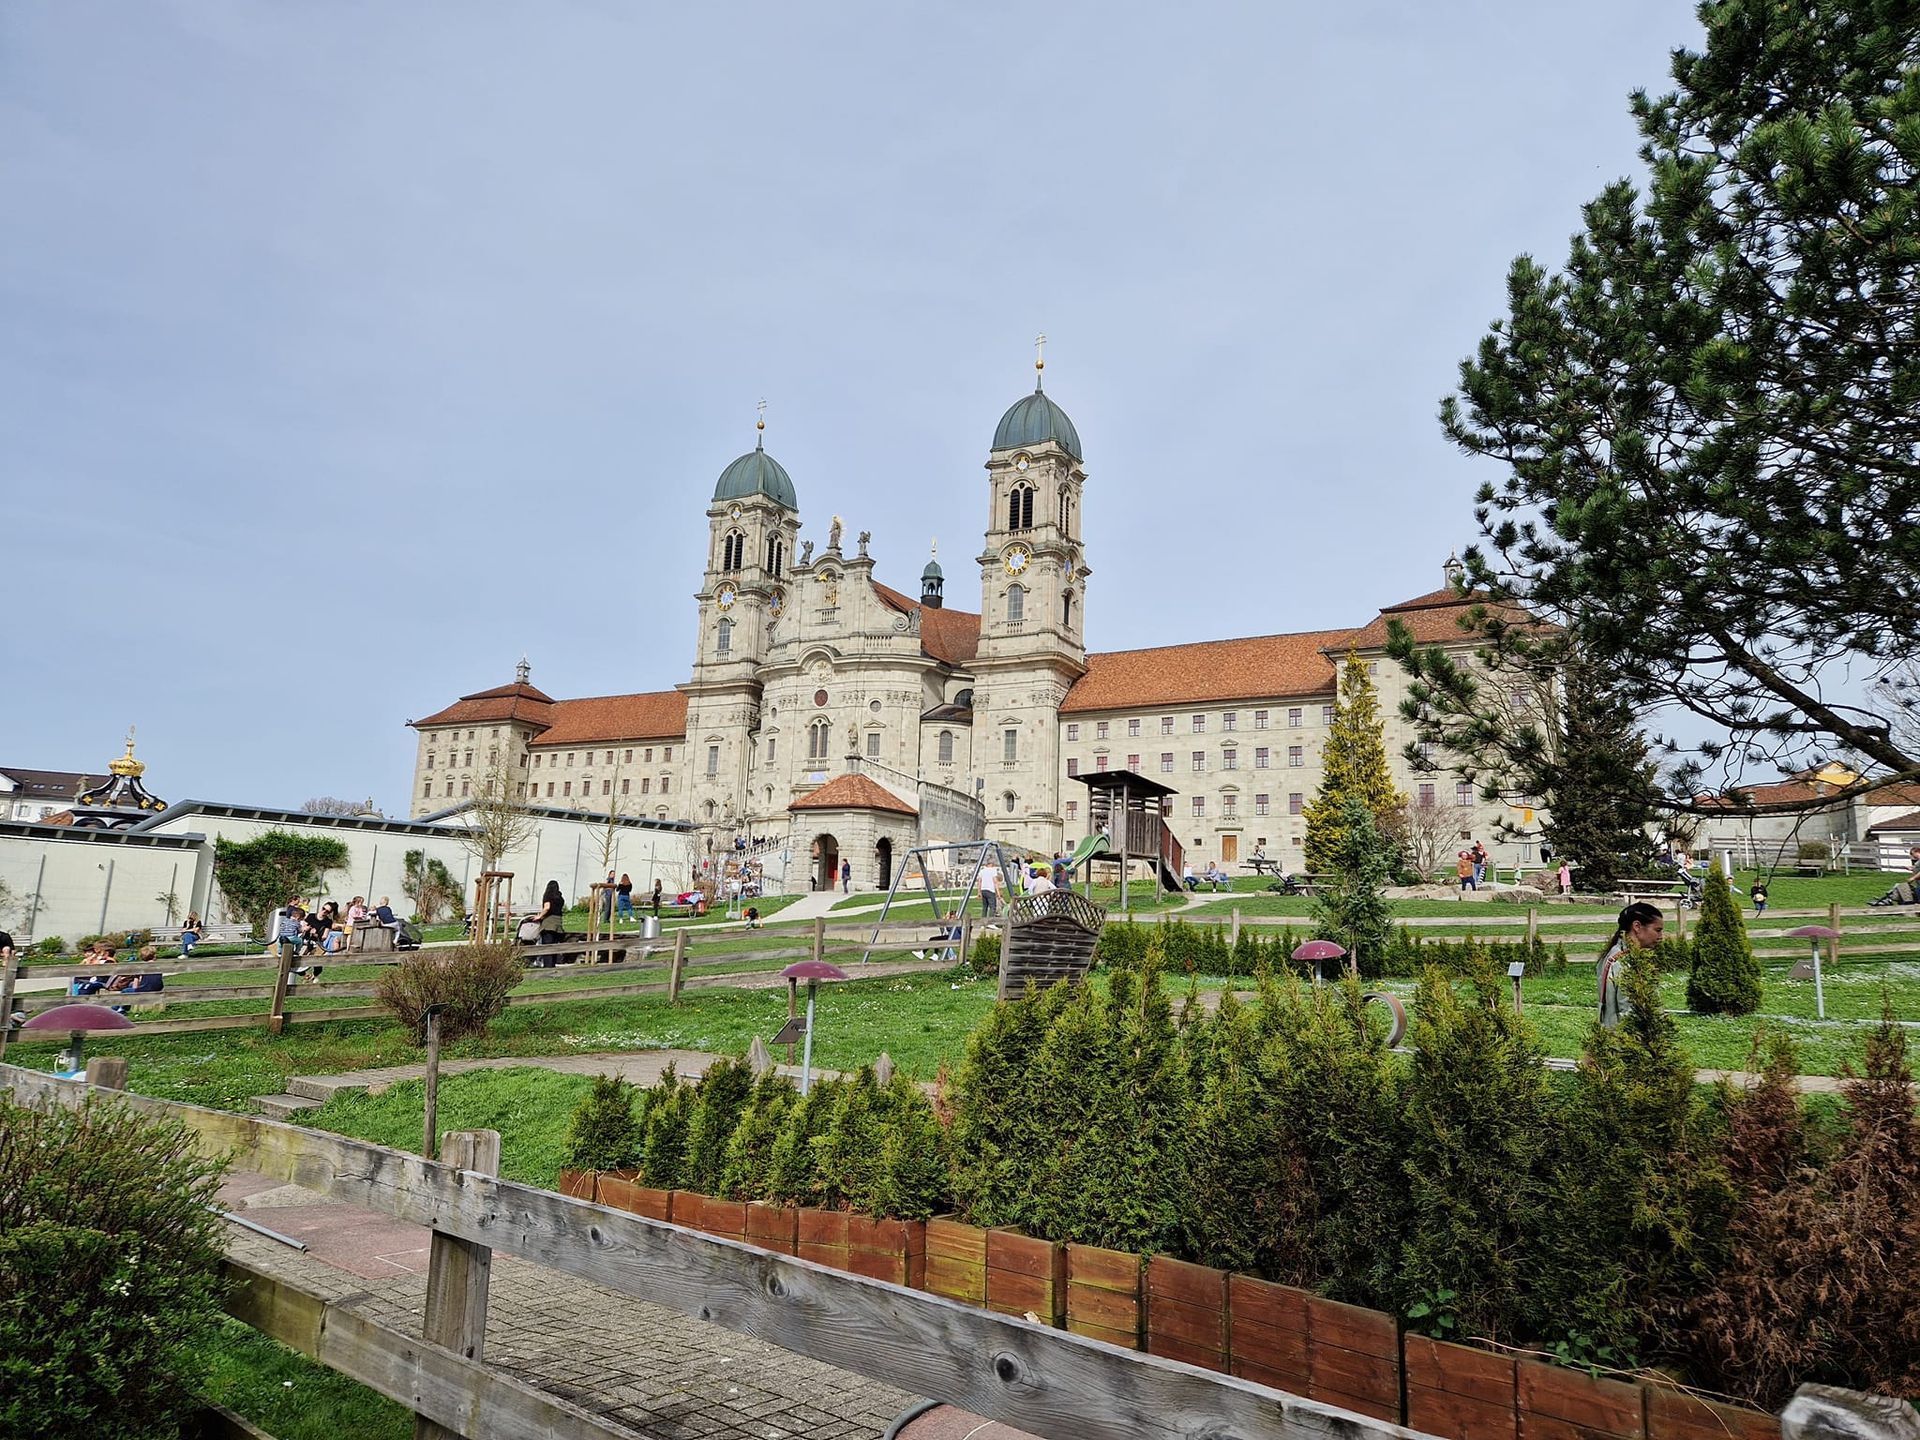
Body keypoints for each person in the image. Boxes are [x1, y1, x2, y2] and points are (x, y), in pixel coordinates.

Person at [1598, 902, 1664, 1029]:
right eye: (1657, 930)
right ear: (1637, 926)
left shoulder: (1614, 953)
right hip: (1628, 1038)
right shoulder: (1626, 963)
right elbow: (1629, 1011)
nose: (1661, 936)